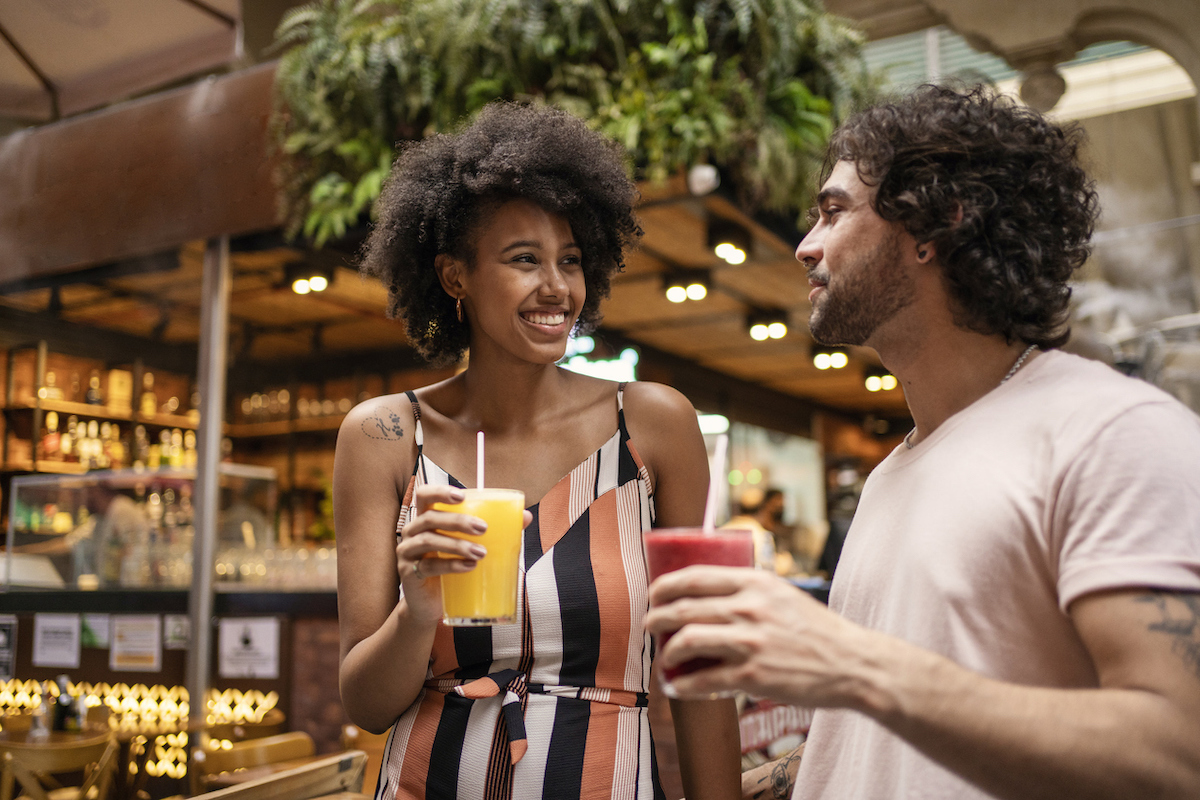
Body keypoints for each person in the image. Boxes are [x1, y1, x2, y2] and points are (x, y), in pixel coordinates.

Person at [644, 84, 1200, 800]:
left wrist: (851, 663)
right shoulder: (894, 472)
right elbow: (881, 743)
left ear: (935, 224)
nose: (805, 245)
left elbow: (1179, 752)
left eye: (834, 211)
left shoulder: (1114, 433)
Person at [334, 101, 740, 800]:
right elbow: (366, 706)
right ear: (455, 276)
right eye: (525, 260)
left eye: (572, 261)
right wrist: (418, 608)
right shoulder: (385, 438)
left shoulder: (652, 426)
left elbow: (697, 667)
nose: (557, 288)